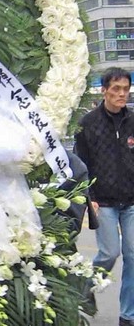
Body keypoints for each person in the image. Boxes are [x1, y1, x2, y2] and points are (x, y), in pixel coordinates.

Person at [75, 67, 134, 326]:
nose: (122, 94)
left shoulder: (133, 120)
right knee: (109, 253)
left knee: (133, 255)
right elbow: (80, 164)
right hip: (104, 201)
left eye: (126, 89)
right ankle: (83, 287)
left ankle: (127, 316)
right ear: (104, 90)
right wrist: (90, 197)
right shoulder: (88, 124)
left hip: (131, 201)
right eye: (116, 89)